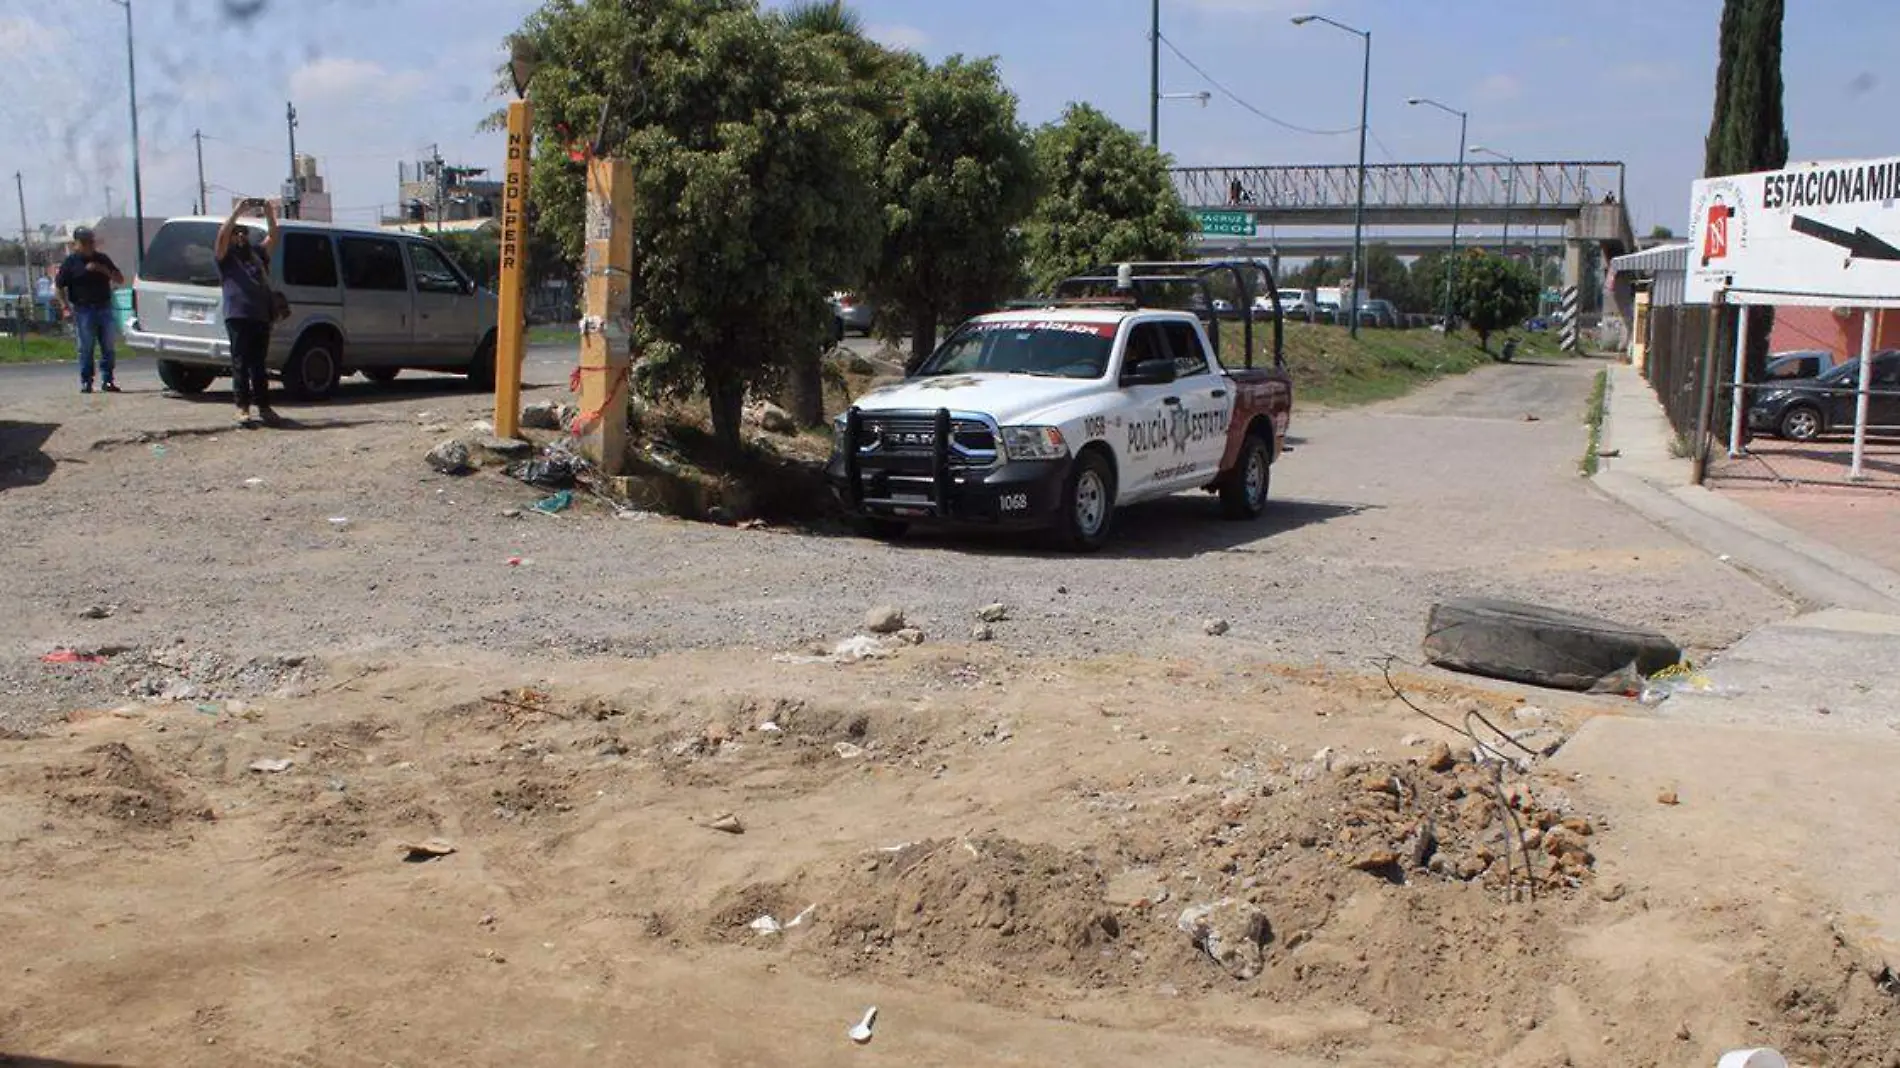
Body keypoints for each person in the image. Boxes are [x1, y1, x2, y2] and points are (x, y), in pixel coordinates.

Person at [215, 198, 280, 427]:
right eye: (236, 233)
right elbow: (222, 237)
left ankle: (264, 406)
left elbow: (273, 236)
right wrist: (237, 211)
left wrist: (269, 212)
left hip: (260, 315)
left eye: (243, 233)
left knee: (259, 365)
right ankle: (242, 408)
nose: (240, 236)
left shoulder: (257, 254)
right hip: (238, 315)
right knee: (240, 363)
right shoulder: (226, 258)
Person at [54, 227, 125, 394]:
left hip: (104, 307)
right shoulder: (71, 263)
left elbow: (119, 279)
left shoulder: (102, 259)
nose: (89, 246)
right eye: (84, 242)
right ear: (76, 244)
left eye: (91, 242)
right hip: (83, 309)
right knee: (86, 347)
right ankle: (86, 381)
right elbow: (58, 287)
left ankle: (108, 380)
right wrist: (64, 307)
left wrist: (102, 269)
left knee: (108, 345)